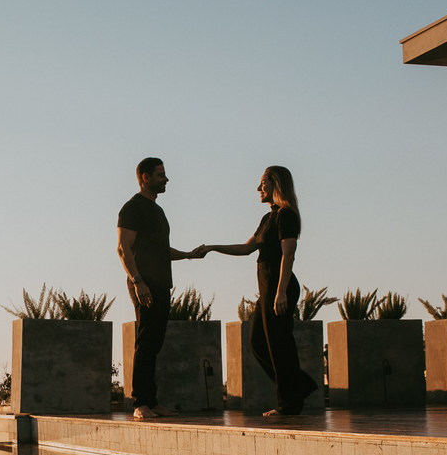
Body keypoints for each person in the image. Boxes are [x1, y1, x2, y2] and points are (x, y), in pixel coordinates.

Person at [195, 166, 318, 415]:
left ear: (276, 184)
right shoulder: (268, 218)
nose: (258, 188)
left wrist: (281, 292)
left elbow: (289, 254)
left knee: (279, 344)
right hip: (268, 287)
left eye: (263, 183)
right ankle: (300, 386)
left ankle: (289, 403)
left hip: (279, 286)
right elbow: (246, 248)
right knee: (258, 342)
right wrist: (212, 247)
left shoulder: (287, 215)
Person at [117, 157, 205, 419]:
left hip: (161, 284)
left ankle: (152, 402)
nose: (166, 179)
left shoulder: (157, 211)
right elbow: (124, 249)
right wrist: (138, 281)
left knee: (155, 343)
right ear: (145, 177)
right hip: (144, 285)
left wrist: (188, 254)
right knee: (145, 341)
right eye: (160, 175)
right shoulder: (132, 208)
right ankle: (140, 404)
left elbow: (160, 250)